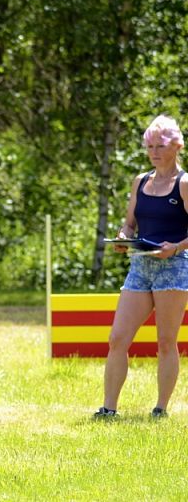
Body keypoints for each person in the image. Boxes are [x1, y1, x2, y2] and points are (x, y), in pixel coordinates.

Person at [96, 114, 188, 419]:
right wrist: (123, 237)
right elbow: (129, 223)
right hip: (141, 265)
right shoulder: (141, 181)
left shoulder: (184, 183)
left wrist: (175, 247)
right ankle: (109, 409)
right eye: (149, 146)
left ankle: (160, 409)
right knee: (117, 338)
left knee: (165, 341)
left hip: (173, 267)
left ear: (176, 145)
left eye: (160, 145)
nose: (154, 151)